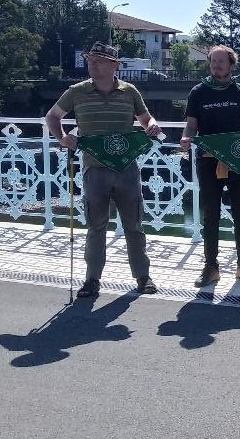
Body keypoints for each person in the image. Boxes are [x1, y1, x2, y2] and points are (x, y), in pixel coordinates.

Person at [45, 41, 162, 298]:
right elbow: (53, 116)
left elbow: (145, 119)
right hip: (94, 169)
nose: (92, 64)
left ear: (113, 65)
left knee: (134, 225)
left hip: (126, 168)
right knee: (96, 226)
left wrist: (151, 125)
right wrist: (62, 137)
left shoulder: (130, 91)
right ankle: (92, 280)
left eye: (98, 60)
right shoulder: (76, 92)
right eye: (90, 60)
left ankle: (143, 277)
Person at [180, 45, 240, 287]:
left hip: (237, 161)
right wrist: (185, 138)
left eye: (221, 62)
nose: (216, 65)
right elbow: (191, 125)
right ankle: (210, 267)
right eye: (213, 61)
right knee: (210, 214)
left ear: (231, 65)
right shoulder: (198, 92)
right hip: (207, 160)